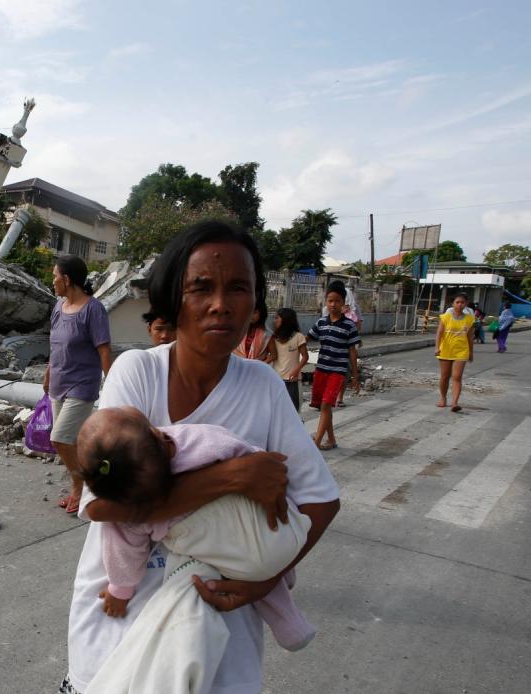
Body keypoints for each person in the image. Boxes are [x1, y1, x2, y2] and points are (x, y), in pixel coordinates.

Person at [61, 220, 339, 694]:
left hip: (218, 638)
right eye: (201, 287)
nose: (220, 304)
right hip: (115, 621)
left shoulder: (264, 387)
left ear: (254, 304)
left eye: (238, 288)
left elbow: (320, 501)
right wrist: (231, 477)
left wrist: (263, 579)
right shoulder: (138, 372)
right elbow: (104, 505)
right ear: (174, 297)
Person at [75, 407, 315, 659]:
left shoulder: (128, 517)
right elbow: (242, 452)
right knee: (259, 546)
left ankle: (289, 625)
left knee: (198, 564)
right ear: (162, 436)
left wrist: (120, 592)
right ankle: (291, 616)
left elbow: (124, 556)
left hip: (234, 560)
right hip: (284, 528)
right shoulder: (198, 439)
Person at [42, 254, 112, 515]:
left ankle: (80, 487)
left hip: (81, 387)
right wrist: (48, 374)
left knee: (59, 439)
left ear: (67, 279)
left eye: (55, 276)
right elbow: (55, 345)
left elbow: (104, 350)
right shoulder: (58, 307)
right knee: (74, 443)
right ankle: (92, 485)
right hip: (58, 384)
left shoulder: (93, 309)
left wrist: (114, 384)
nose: (53, 281)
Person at [307, 281, 360, 451]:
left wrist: (354, 377)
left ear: (344, 302)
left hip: (337, 372)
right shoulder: (321, 323)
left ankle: (316, 443)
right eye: (330, 301)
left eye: (337, 301)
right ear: (325, 301)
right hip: (321, 369)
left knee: (326, 405)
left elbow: (352, 352)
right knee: (324, 406)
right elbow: (305, 339)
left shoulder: (349, 326)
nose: (333, 304)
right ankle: (331, 440)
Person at [435, 292, 475, 412]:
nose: (459, 304)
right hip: (445, 350)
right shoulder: (445, 317)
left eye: (462, 302)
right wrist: (437, 347)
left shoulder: (470, 319)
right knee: (445, 376)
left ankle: (455, 403)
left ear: (466, 304)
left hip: (461, 351)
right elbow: (439, 334)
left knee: (457, 377)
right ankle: (443, 397)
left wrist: (471, 352)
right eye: (457, 302)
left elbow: (470, 337)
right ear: (452, 304)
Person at [266, 308, 309, 411]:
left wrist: (296, 370)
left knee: (294, 409)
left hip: (292, 380)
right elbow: (271, 356)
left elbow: (305, 356)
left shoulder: (298, 337)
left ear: (285, 320)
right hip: (276, 379)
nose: (274, 321)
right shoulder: (273, 338)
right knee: (276, 410)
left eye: (277, 318)